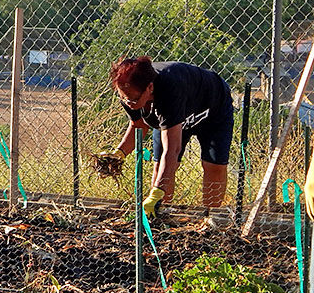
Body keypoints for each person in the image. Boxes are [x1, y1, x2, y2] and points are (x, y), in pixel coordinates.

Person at [98, 56, 234, 219]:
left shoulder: (170, 88)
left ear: (149, 87)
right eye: (123, 97)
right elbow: (139, 125)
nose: (128, 103)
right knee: (159, 167)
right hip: (174, 116)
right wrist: (118, 154)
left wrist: (157, 193)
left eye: (133, 99)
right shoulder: (129, 93)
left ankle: (211, 219)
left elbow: (172, 150)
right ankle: (161, 216)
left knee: (213, 166)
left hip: (212, 108)